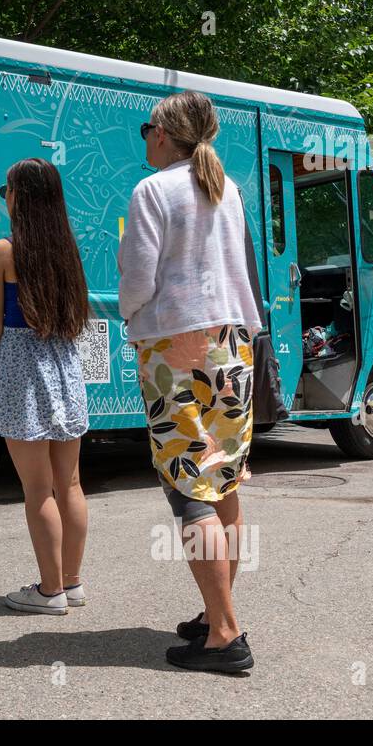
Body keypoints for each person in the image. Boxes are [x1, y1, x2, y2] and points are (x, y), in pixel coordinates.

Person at [119, 90, 262, 673]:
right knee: (223, 480)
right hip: (233, 344)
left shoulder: (152, 191)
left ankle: (224, 634)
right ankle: (216, 611)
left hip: (175, 346)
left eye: (147, 127)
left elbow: (137, 277)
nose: (144, 136)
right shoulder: (228, 190)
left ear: (164, 134)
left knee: (189, 486)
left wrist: (131, 317)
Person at [0, 159, 90, 616]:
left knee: (38, 489)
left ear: (19, 196)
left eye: (7, 188)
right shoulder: (68, 250)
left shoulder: (2, 252)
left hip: (23, 374)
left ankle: (48, 591)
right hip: (65, 369)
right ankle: (72, 581)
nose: (4, 194)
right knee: (71, 484)